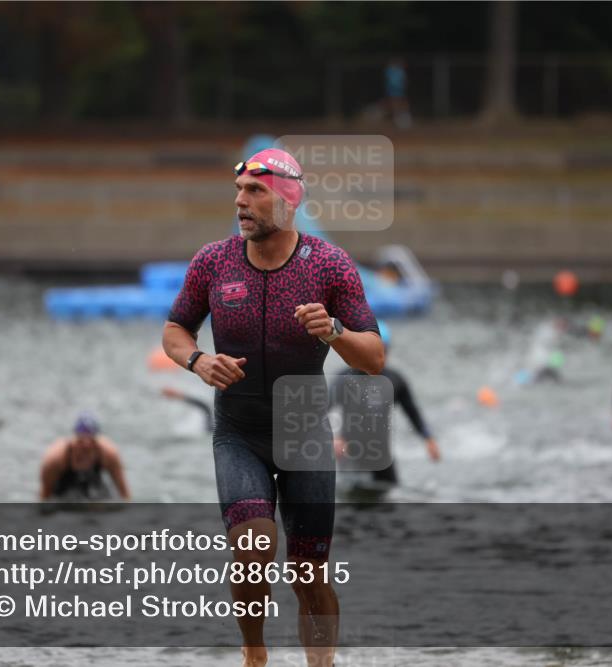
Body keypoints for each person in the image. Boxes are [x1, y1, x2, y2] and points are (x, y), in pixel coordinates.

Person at [162, 148, 383, 667]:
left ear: (288, 201)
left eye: (255, 192)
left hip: (303, 428)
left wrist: (332, 329)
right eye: (238, 191)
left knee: (310, 573)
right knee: (254, 544)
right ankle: (255, 654)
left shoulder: (329, 265)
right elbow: (175, 330)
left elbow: (373, 357)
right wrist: (196, 361)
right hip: (239, 431)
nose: (241, 201)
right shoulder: (213, 262)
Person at [331, 321, 439, 490]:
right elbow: (320, 413)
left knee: (390, 499)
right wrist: (334, 439)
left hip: (381, 455)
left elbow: (412, 412)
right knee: (353, 502)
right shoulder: (343, 379)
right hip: (350, 455)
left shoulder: (395, 380)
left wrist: (428, 438)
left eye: (383, 351)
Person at [39, 414, 130, 501]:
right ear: (75, 438)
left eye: (90, 442)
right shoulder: (55, 459)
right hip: (63, 484)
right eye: (81, 442)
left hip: (94, 483)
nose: (86, 446)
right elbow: (44, 496)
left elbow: (124, 493)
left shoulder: (108, 454)